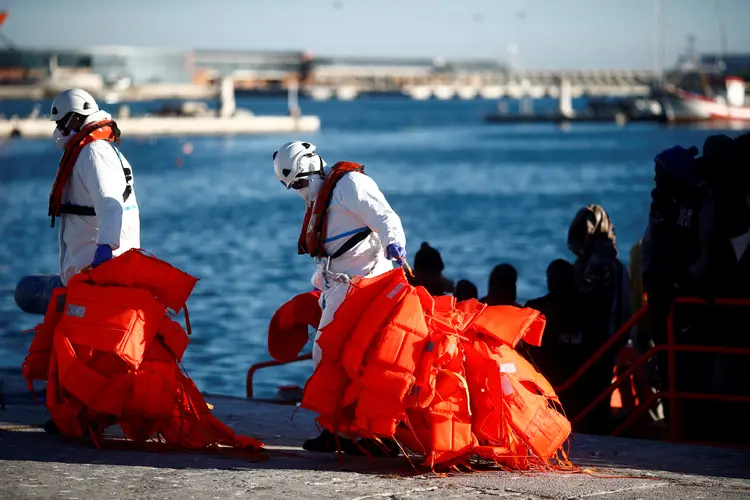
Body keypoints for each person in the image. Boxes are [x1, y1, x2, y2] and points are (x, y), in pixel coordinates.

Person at [273, 140, 406, 455]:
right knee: (328, 357)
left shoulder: (350, 185)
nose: (300, 191)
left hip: (367, 286)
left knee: (364, 360)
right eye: (294, 187)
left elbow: (385, 217)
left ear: (313, 168)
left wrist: (394, 244)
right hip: (339, 288)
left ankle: (375, 435)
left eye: (301, 183)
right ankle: (339, 430)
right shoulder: (322, 196)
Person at [14, 88, 140, 315]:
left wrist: (105, 250)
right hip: (99, 272)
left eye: (60, 123)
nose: (58, 129)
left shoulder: (94, 153)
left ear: (74, 118)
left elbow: (110, 204)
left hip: (95, 274)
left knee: (24, 291)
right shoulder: (97, 150)